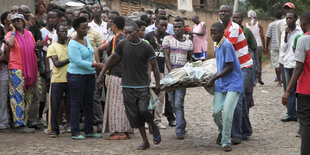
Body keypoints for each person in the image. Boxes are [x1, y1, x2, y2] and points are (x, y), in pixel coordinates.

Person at [98, 22, 161, 150]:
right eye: (126, 33)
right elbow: (112, 59)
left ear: (137, 31)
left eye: (130, 33)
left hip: (142, 85)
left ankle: (153, 125)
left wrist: (158, 82)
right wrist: (101, 74)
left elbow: (155, 65)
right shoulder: (122, 45)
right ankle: (145, 141)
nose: (127, 35)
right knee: (134, 115)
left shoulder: (146, 46)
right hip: (127, 86)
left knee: (143, 110)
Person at [219, 5, 254, 145]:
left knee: (236, 99)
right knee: (242, 101)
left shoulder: (233, 28)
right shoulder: (221, 27)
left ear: (230, 14)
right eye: (221, 11)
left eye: (226, 11)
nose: (223, 13)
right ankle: (246, 130)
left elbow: (226, 48)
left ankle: (236, 134)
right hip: (235, 68)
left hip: (244, 67)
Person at [208, 22, 243, 152]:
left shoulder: (227, 45)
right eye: (211, 32)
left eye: (215, 32)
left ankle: (226, 142)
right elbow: (220, 66)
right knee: (216, 113)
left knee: (228, 113)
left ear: (223, 33)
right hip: (221, 83)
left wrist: (213, 79)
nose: (213, 35)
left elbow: (229, 67)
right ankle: (222, 131)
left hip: (233, 83)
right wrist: (213, 76)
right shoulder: (216, 45)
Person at [95, 16, 132, 140]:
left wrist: (102, 72)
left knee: (116, 104)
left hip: (116, 75)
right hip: (127, 75)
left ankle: (119, 131)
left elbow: (113, 58)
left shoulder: (116, 39)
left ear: (115, 26)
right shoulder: (127, 38)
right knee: (124, 103)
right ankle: (125, 130)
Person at [67, 17, 103, 139]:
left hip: (89, 75)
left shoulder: (86, 38)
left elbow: (92, 52)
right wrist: (96, 65)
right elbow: (78, 61)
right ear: (76, 29)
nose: (85, 30)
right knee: (76, 103)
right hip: (76, 76)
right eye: (83, 28)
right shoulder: (72, 43)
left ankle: (89, 130)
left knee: (89, 103)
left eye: (87, 27)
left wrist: (94, 65)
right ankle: (75, 131)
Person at [282, 11, 310, 155]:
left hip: (306, 91)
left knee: (305, 126)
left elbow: (298, 67)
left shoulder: (303, 40)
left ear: (304, 23)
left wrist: (288, 90)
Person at [5, 14, 38, 133]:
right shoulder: (10, 34)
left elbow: (32, 48)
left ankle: (25, 121)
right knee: (17, 96)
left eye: (19, 20)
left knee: (28, 96)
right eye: (14, 21)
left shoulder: (29, 34)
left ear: (23, 21)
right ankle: (18, 123)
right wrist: (13, 31)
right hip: (16, 68)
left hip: (29, 69)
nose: (17, 22)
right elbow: (10, 43)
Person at [163, 18, 193, 139]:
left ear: (183, 27)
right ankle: (182, 122)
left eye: (179, 27)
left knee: (178, 103)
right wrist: (172, 72)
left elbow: (189, 59)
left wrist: (188, 72)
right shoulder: (167, 39)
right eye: (175, 27)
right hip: (170, 77)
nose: (176, 29)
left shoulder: (189, 42)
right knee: (172, 102)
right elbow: (166, 56)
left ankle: (179, 130)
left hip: (182, 78)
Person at [145, 16, 172, 129]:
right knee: (149, 94)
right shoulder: (149, 36)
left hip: (162, 70)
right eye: (161, 25)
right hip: (151, 70)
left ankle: (157, 120)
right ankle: (147, 120)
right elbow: (146, 55)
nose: (164, 27)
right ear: (156, 24)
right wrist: (148, 71)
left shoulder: (168, 37)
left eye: (166, 25)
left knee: (160, 95)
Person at [47, 24, 70, 138]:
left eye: (65, 31)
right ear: (57, 33)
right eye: (61, 31)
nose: (64, 33)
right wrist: (70, 59)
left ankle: (71, 126)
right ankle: (54, 130)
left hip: (70, 79)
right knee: (55, 106)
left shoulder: (69, 46)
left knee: (70, 105)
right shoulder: (53, 47)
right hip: (57, 80)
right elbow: (56, 63)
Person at [232, 11, 259, 111]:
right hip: (234, 65)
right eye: (233, 18)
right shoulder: (229, 31)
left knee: (246, 92)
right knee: (238, 92)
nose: (235, 20)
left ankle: (245, 119)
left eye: (237, 18)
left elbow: (254, 47)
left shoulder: (246, 31)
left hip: (246, 64)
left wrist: (257, 66)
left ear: (242, 19)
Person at [280, 12, 303, 122]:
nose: (288, 20)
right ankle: (291, 114)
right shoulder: (285, 31)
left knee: (300, 91)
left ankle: (302, 113)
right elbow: (283, 49)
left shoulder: (301, 31)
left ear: (295, 19)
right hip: (288, 64)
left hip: (298, 64)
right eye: (287, 18)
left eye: (290, 18)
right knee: (290, 90)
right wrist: (285, 36)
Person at [276, 2, 299, 93]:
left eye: (289, 8)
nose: (287, 10)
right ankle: (289, 105)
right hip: (284, 58)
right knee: (287, 87)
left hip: (297, 59)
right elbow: (279, 40)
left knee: (297, 86)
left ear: (293, 10)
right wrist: (282, 54)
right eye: (285, 9)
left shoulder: (300, 23)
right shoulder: (280, 24)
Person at [246, 10, 265, 85]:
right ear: (255, 16)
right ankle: (259, 77)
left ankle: (254, 80)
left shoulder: (246, 25)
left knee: (252, 62)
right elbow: (262, 36)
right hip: (258, 45)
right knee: (259, 62)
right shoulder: (259, 24)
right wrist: (265, 46)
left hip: (250, 46)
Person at [266, 11, 283, 87]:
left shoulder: (271, 24)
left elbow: (268, 36)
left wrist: (266, 46)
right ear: (281, 16)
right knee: (283, 63)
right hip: (283, 46)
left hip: (274, 46)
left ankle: (279, 81)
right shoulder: (284, 23)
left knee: (276, 65)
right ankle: (284, 79)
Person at [0, 26, 9, 129]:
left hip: (3, 76)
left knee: (2, 99)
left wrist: (3, 56)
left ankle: (3, 122)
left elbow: (8, 60)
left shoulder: (4, 47)